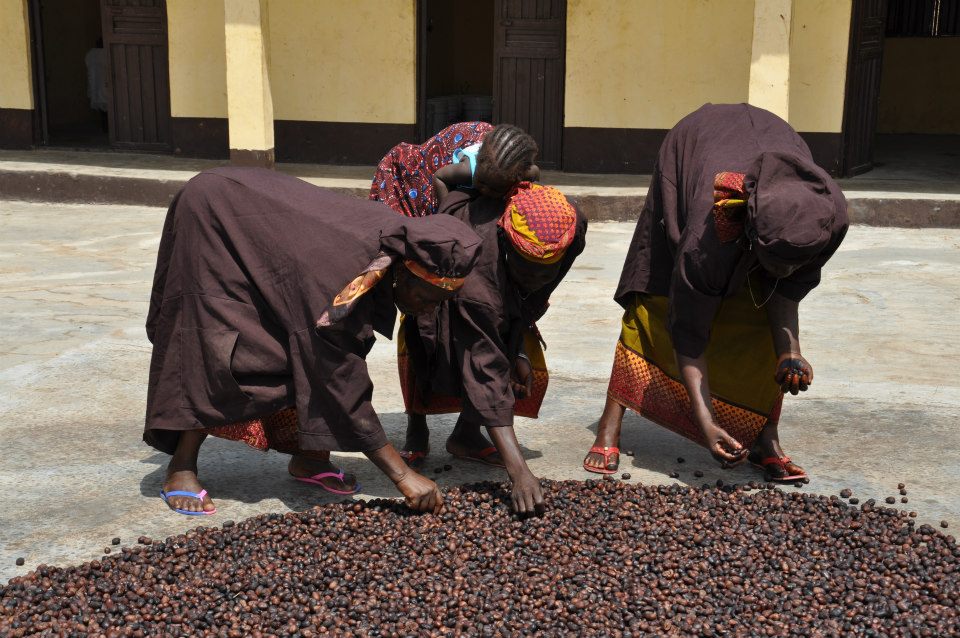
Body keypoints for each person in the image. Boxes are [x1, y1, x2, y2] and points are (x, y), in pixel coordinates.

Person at [144, 167, 481, 515]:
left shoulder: (393, 251)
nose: (428, 311)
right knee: (215, 343)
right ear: (404, 274)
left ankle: (308, 457)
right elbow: (337, 376)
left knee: (295, 345)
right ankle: (181, 467)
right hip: (215, 215)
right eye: (427, 298)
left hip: (272, 235)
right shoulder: (342, 276)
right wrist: (402, 474)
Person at [583, 103, 848, 481]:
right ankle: (611, 422)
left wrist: (791, 353)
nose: (787, 272)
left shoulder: (830, 215)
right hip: (693, 147)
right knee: (657, 303)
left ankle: (764, 439)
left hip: (770, 143)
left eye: (795, 264)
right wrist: (703, 419)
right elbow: (688, 331)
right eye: (779, 262)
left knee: (758, 319)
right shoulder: (707, 236)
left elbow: (787, 289)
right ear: (750, 234)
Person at [399, 182, 587, 516]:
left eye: (545, 272)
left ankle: (466, 437)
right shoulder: (477, 272)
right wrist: (520, 472)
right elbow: (485, 364)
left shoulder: (570, 228)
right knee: (428, 336)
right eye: (525, 270)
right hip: (429, 227)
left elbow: (522, 304)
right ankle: (417, 427)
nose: (534, 280)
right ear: (505, 248)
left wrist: (519, 352)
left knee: (507, 348)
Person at [370, 122, 540, 217]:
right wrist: (447, 214)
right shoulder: (468, 169)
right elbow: (439, 177)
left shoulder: (519, 171)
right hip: (440, 150)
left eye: (495, 189)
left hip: (488, 142)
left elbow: (535, 174)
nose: (485, 189)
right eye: (481, 182)